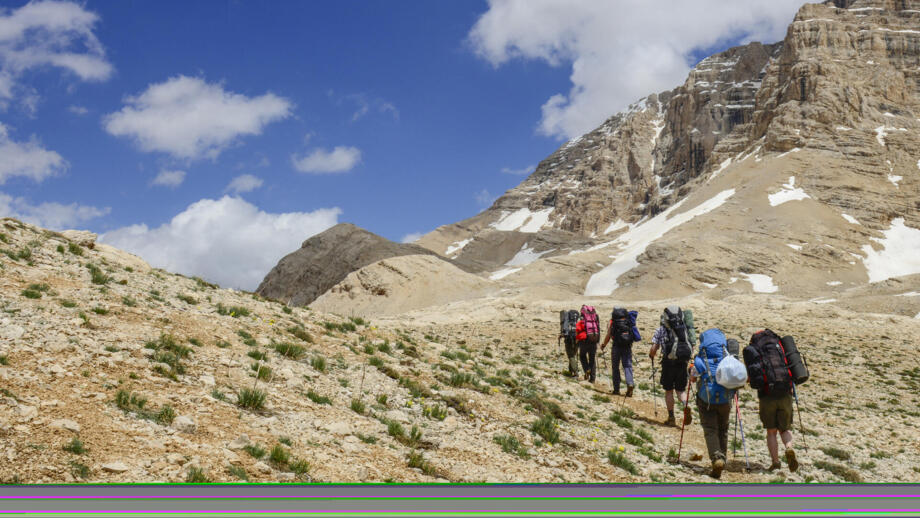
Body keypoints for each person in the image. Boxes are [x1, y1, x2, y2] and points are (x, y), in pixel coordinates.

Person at [745, 329, 799, 473]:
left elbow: (751, 376)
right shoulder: (779, 346)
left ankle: (775, 462)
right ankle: (789, 448)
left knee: (771, 432)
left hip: (767, 394)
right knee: (785, 428)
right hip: (785, 391)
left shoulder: (755, 350)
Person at [688, 328, 737, 479]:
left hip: (706, 400)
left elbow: (693, 377)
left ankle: (717, 459)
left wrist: (691, 371)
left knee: (710, 429)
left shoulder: (700, 359)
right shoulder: (727, 357)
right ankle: (723, 457)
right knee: (723, 428)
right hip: (725, 399)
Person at [649, 308, 692, 427]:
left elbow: (654, 348)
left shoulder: (661, 329)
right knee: (680, 390)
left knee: (669, 390)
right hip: (682, 362)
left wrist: (651, 355)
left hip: (668, 363)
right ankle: (685, 404)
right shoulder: (684, 329)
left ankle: (671, 417)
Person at [600, 308, 636, 396]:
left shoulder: (612, 322)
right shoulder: (628, 320)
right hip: (627, 346)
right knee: (627, 366)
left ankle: (616, 389)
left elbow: (609, 334)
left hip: (616, 346)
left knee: (615, 367)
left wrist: (604, 344)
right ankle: (630, 383)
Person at [575, 311, 597, 383]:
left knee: (582, 356)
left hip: (584, 342)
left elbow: (577, 332)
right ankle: (592, 379)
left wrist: (576, 341)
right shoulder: (594, 322)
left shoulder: (580, 322)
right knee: (592, 359)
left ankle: (587, 369)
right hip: (593, 341)